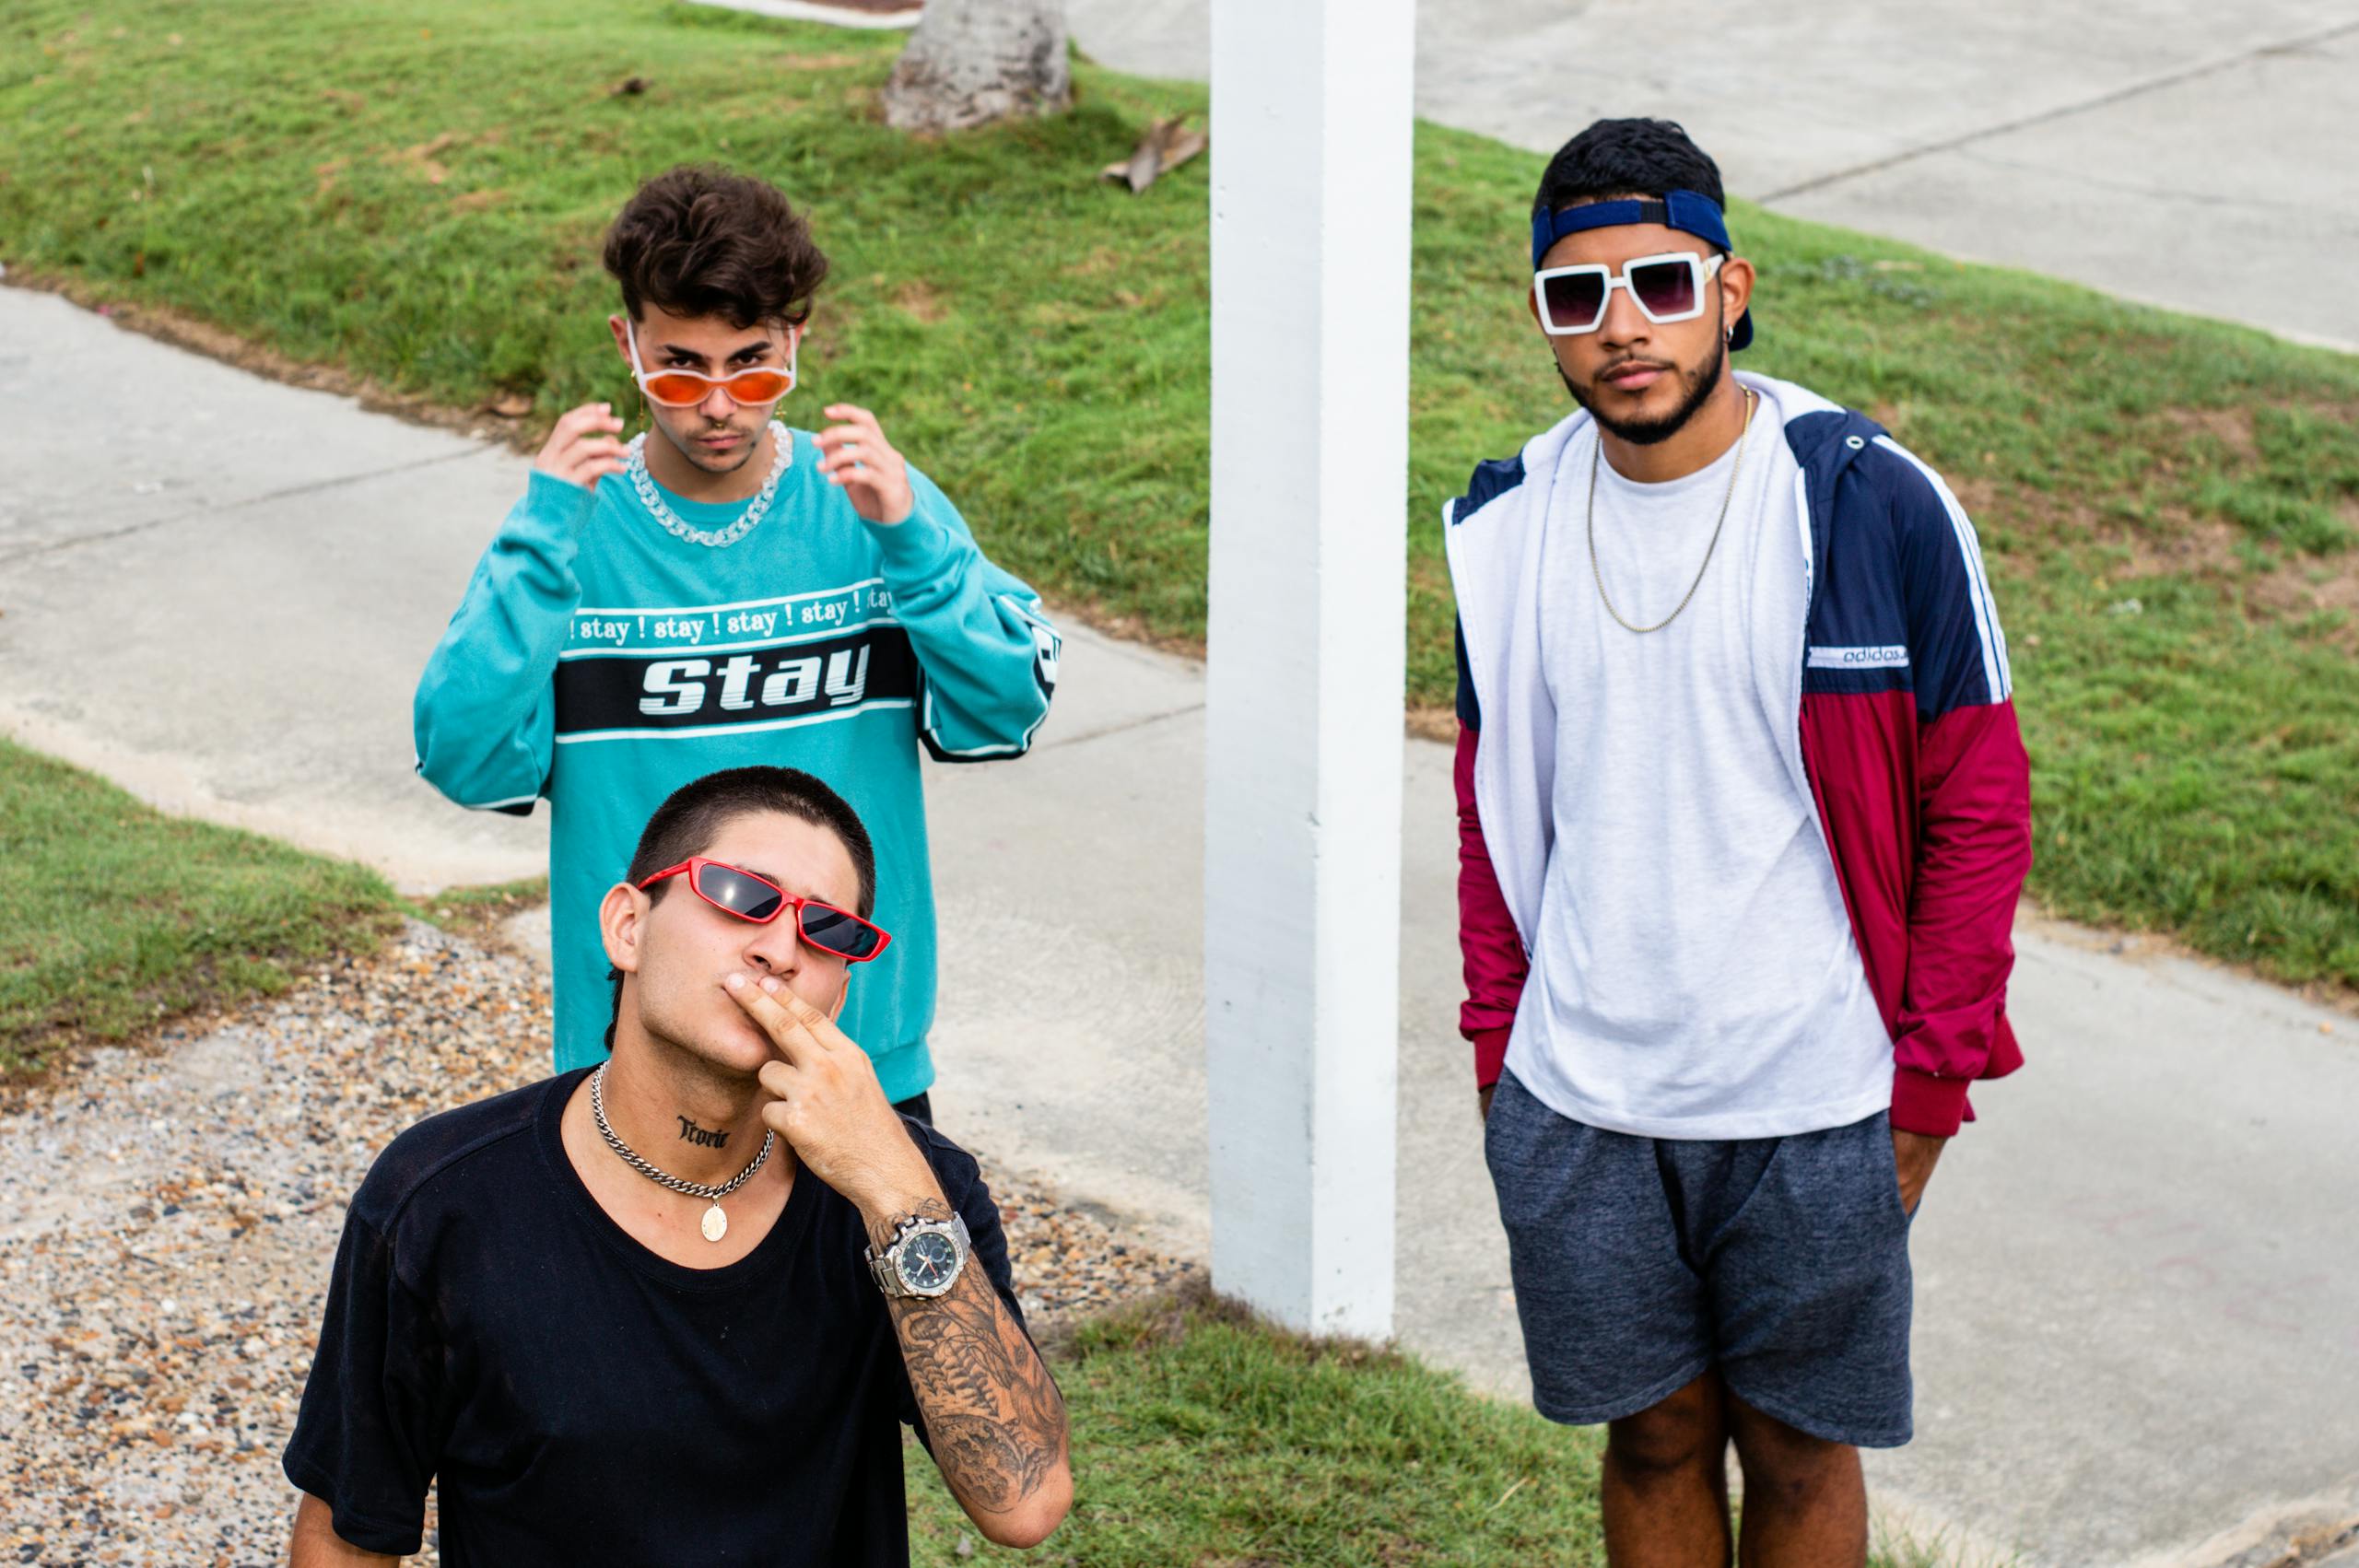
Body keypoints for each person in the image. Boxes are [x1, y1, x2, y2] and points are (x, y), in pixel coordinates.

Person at [1448, 118, 2031, 1567]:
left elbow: (1978, 803)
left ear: (1731, 285)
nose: (1621, 328)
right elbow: (1490, 805)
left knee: (1794, 1440)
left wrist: (1929, 1076)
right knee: (1649, 1432)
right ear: (1542, 319)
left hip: (1816, 1086)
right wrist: (1496, 1050)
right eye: (1574, 298)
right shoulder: (1506, 525)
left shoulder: (1866, 500)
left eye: (1658, 281)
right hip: (1581, 1090)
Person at [282, 766, 1071, 1564]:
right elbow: (349, 1537)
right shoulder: (440, 1201)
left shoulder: (912, 1194)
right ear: (628, 926)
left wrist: (893, 1191)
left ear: (838, 992)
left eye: (827, 929)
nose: (780, 950)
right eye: (740, 895)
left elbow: (1025, 1501)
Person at [413, 165, 1060, 1121]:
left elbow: (1004, 709)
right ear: (626, 342)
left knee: (879, 1277)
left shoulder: (873, 509)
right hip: (637, 1058)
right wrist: (537, 542)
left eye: (751, 366)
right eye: (679, 367)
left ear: (796, 340)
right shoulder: (566, 535)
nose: (717, 405)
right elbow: (461, 756)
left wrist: (914, 546)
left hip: (853, 1053)